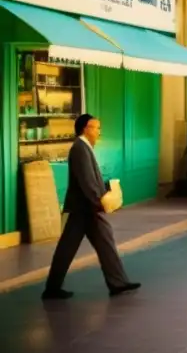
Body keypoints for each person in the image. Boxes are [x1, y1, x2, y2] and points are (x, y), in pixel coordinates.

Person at [42, 114, 140, 299]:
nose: (98, 131)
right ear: (85, 129)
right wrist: (98, 201)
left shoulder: (84, 147)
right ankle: (116, 283)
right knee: (77, 245)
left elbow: (90, 178)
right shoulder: (80, 148)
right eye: (95, 127)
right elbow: (87, 180)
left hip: (85, 208)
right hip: (85, 208)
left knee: (91, 243)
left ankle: (116, 283)